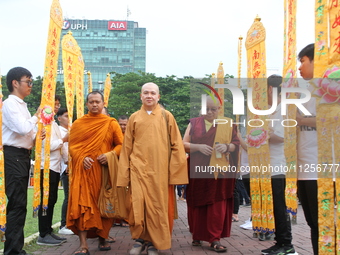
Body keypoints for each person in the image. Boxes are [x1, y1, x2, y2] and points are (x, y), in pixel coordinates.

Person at [117, 82, 188, 255]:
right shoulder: (134, 117)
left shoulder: (166, 116)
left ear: (158, 96)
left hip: (160, 171)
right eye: (146, 93)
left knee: (157, 207)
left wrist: (175, 172)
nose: (149, 96)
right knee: (137, 205)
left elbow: (177, 145)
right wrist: (123, 173)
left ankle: (153, 243)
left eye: (153, 93)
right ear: (141, 96)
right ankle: (140, 239)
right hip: (137, 168)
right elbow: (127, 147)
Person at [67, 91, 123, 255]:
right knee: (82, 206)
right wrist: (81, 157)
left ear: (103, 103)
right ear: (87, 104)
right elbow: (72, 147)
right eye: (91, 102)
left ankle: (103, 238)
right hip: (83, 172)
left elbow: (121, 145)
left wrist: (109, 155)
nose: (94, 105)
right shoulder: (79, 124)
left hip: (103, 173)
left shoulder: (111, 123)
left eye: (97, 102)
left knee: (104, 205)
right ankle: (83, 245)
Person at [183, 96, 240, 253]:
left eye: (213, 109)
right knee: (197, 201)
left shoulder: (227, 124)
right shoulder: (194, 123)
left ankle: (215, 239)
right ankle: (197, 234)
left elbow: (236, 144)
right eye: (206, 109)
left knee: (216, 204)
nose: (209, 112)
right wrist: (198, 147)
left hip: (219, 171)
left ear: (219, 109)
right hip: (198, 169)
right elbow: (183, 144)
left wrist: (228, 146)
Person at [2, 67, 43, 255]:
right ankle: (12, 250)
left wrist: (38, 136)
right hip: (13, 156)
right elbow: (21, 128)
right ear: (15, 83)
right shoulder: (10, 104)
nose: (31, 86)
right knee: (17, 203)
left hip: (23, 156)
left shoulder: (23, 106)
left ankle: (16, 248)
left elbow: (28, 135)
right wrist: (37, 116)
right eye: (28, 82)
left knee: (20, 204)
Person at [261, 75, 296, 255]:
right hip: (271, 165)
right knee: (275, 206)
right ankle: (280, 241)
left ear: (270, 89)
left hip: (279, 166)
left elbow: (282, 137)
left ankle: (287, 244)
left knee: (280, 206)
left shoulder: (284, 109)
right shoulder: (273, 110)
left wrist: (261, 136)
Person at [36, 96, 69, 246]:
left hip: (55, 167)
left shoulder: (53, 123)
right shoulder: (42, 122)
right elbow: (46, 146)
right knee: (46, 200)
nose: (56, 107)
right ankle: (43, 233)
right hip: (45, 166)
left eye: (58, 105)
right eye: (54, 105)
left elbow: (60, 147)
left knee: (52, 199)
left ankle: (48, 230)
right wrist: (64, 140)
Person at [296, 43, 318, 255]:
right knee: (312, 222)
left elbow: (332, 119)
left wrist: (300, 119)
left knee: (322, 222)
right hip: (303, 167)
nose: (300, 67)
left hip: (319, 167)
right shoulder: (306, 92)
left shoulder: (329, 90)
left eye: (303, 61)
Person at [56, 108, 74, 235]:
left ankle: (69, 222)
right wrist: (68, 163)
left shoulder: (70, 130)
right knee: (67, 196)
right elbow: (63, 149)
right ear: (59, 118)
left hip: (72, 166)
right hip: (65, 167)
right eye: (66, 116)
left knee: (71, 196)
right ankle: (63, 224)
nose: (68, 118)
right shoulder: (59, 131)